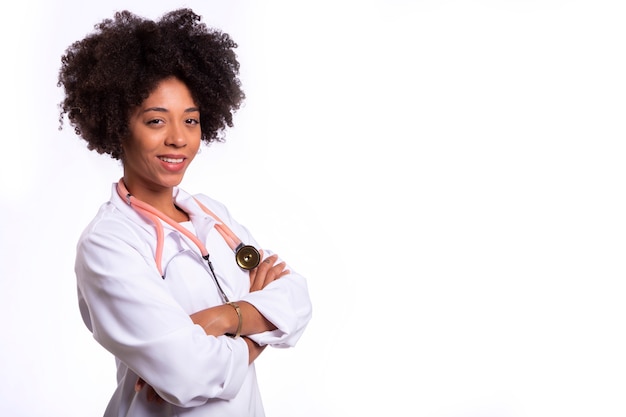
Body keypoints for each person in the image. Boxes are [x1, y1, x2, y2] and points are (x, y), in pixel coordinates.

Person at [57, 8, 312, 417]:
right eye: (156, 120)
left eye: (190, 120)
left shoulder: (211, 214)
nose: (178, 138)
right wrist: (257, 326)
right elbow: (189, 375)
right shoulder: (107, 244)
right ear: (118, 126)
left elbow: (296, 300)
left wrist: (219, 319)